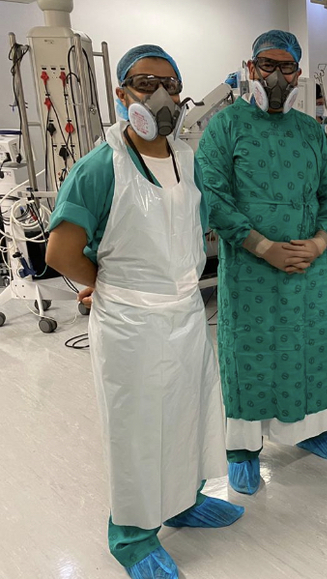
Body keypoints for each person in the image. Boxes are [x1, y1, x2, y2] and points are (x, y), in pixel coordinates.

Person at [45, 45, 243, 579]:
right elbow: (61, 253)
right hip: (130, 323)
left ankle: (183, 501)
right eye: (143, 82)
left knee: (187, 414)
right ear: (120, 93)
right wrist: (105, 285)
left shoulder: (185, 154)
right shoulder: (99, 166)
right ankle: (131, 535)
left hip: (183, 313)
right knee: (136, 431)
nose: (158, 95)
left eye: (169, 85)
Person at [197, 30, 327, 496]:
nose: (278, 76)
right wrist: (264, 247)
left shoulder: (311, 132)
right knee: (252, 355)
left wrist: (321, 240)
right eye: (268, 65)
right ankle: (243, 449)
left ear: (299, 74)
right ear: (250, 69)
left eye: (287, 68)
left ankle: (312, 428)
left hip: (307, 270)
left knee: (312, 349)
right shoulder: (226, 128)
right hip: (251, 271)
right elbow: (214, 199)